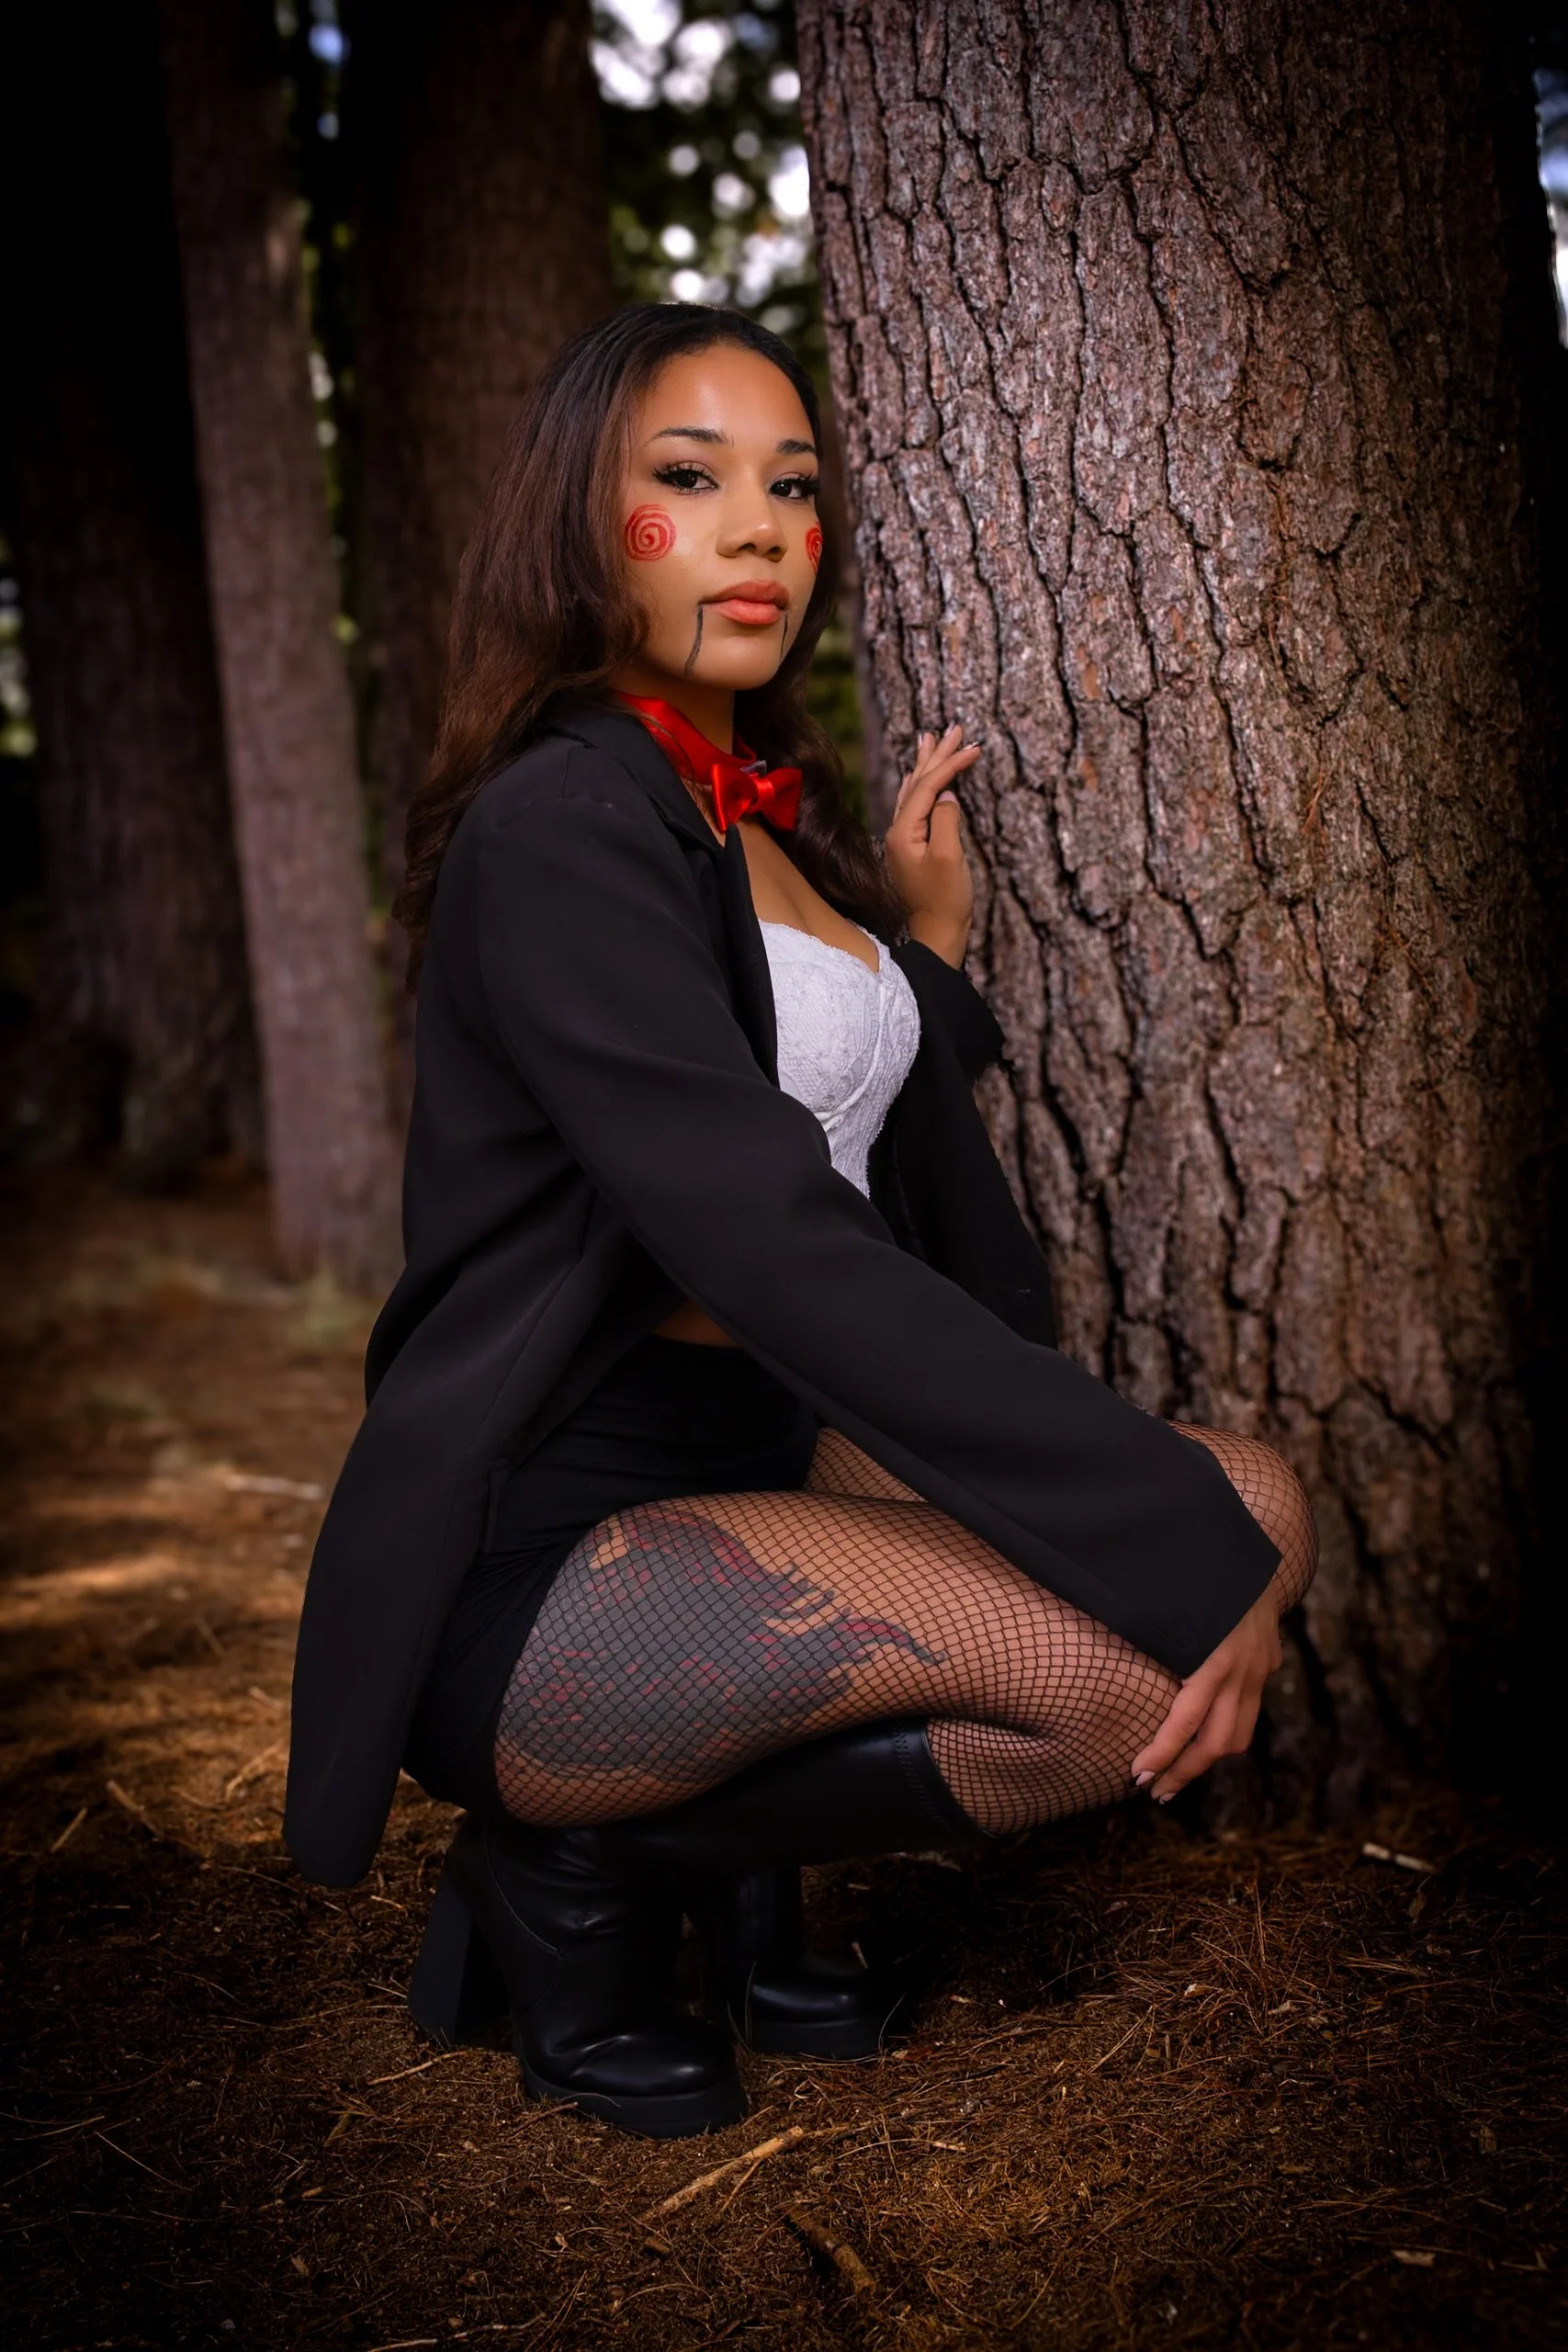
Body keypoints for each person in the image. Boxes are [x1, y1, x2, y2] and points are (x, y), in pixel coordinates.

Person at [283, 304, 1315, 2141]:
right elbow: (756, 1223)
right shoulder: (559, 823)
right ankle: (566, 1869)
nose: (760, 526)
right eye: (690, 479)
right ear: (582, 526)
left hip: (751, 1449)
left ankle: (734, 1884)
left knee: (1263, 1501)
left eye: (792, 484)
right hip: (554, 1540)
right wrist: (1143, 1529)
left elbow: (830, 1107)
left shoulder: (751, 813)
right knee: (1117, 1650)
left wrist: (916, 952)